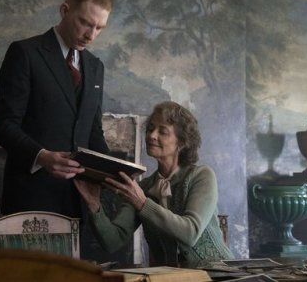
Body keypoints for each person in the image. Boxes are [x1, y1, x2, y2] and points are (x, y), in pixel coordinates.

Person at [0, 0, 113, 219]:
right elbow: (4, 126)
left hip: (77, 203)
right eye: (85, 23)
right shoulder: (24, 53)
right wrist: (42, 157)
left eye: (99, 28)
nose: (91, 35)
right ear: (64, 10)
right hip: (29, 199)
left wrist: (115, 171)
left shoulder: (95, 67)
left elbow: (93, 133)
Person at [74, 101, 234, 267]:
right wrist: (94, 204)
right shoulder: (142, 188)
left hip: (220, 275)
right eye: (150, 129)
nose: (151, 135)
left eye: (162, 131)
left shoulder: (201, 176)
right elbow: (113, 241)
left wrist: (142, 203)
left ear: (182, 142)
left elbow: (190, 233)